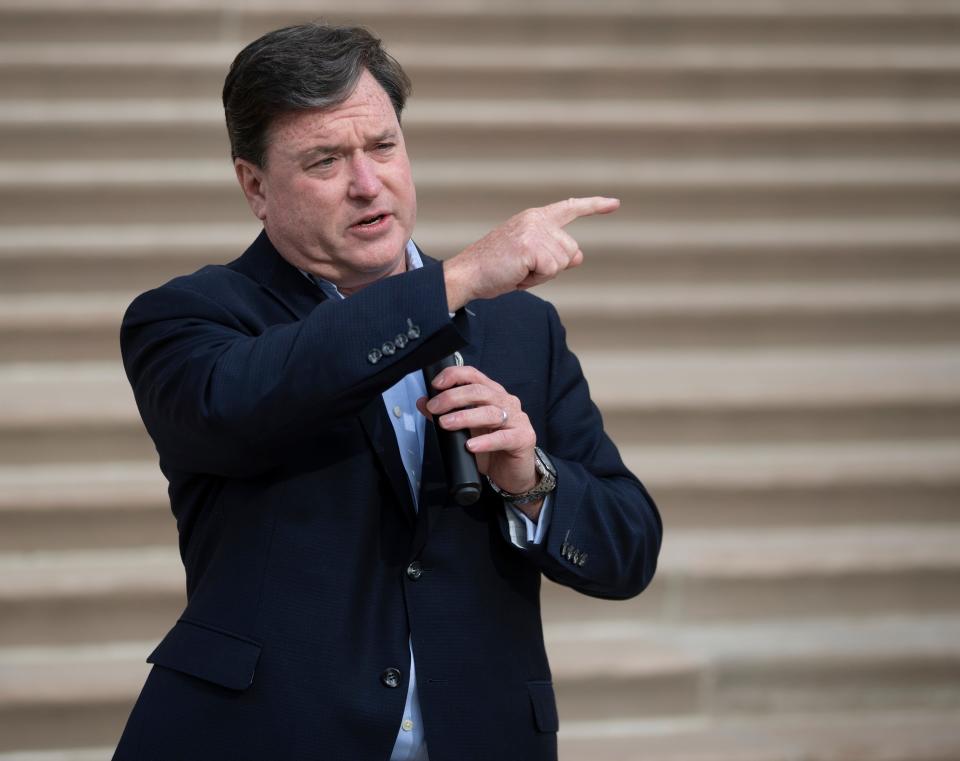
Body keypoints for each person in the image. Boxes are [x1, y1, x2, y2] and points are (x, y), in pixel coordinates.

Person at [113, 22, 661, 761]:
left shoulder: (522, 330)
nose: (367, 183)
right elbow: (247, 401)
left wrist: (531, 482)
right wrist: (454, 283)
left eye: (382, 146)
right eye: (325, 160)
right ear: (255, 186)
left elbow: (628, 548)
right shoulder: (190, 317)